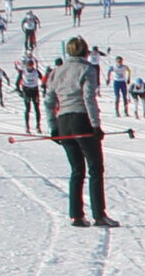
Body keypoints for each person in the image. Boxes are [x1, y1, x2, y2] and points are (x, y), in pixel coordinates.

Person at [45, 38, 115, 228]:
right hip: (82, 120)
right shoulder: (87, 69)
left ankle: (76, 215)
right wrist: (96, 125)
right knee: (95, 168)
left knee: (77, 170)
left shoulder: (56, 71)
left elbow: (49, 101)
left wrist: (53, 127)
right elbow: (88, 98)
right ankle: (99, 215)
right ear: (85, 52)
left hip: (63, 122)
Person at [16, 59, 45, 133]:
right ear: (26, 66)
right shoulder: (23, 72)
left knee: (37, 109)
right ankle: (27, 127)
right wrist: (19, 91)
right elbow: (17, 82)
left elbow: (42, 79)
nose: (30, 67)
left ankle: (38, 126)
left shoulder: (36, 71)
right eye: (29, 66)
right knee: (27, 109)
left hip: (35, 91)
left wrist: (44, 86)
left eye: (31, 66)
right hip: (26, 91)